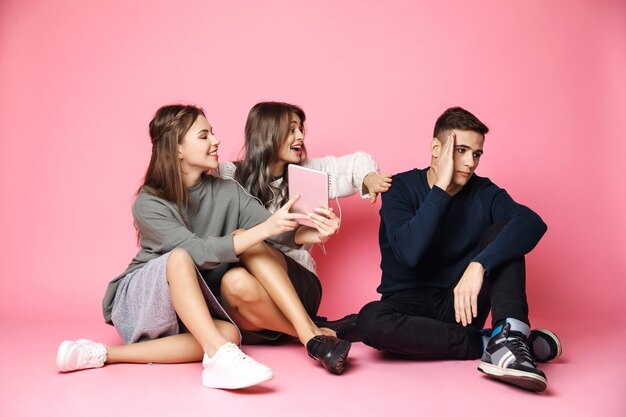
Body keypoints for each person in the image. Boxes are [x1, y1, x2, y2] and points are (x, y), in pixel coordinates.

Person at [56, 104, 352, 388]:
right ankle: (240, 354)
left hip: (196, 303)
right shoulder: (149, 202)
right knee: (183, 256)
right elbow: (194, 252)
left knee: (228, 333)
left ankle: (101, 354)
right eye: (204, 135)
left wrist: (314, 234)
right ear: (177, 149)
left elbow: (275, 230)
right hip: (146, 298)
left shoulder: (227, 191)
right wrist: (264, 229)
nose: (216, 140)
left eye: (213, 132)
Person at [356, 107, 562, 392]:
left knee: (506, 229)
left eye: (476, 154)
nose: (469, 163)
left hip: (461, 306)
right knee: (370, 321)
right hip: (407, 307)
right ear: (436, 148)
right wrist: (440, 188)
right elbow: (409, 253)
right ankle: (492, 341)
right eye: (461, 150)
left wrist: (480, 264)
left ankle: (510, 334)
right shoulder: (399, 188)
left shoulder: (483, 192)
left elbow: (531, 223)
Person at [217, 101, 392, 346]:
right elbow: (192, 181)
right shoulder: (230, 175)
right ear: (268, 133)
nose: (300, 136)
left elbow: (355, 163)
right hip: (251, 307)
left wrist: (370, 178)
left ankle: (306, 331)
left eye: (300, 129)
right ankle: (311, 331)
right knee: (232, 282)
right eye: (291, 130)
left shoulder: (308, 172)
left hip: (298, 286)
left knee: (247, 240)